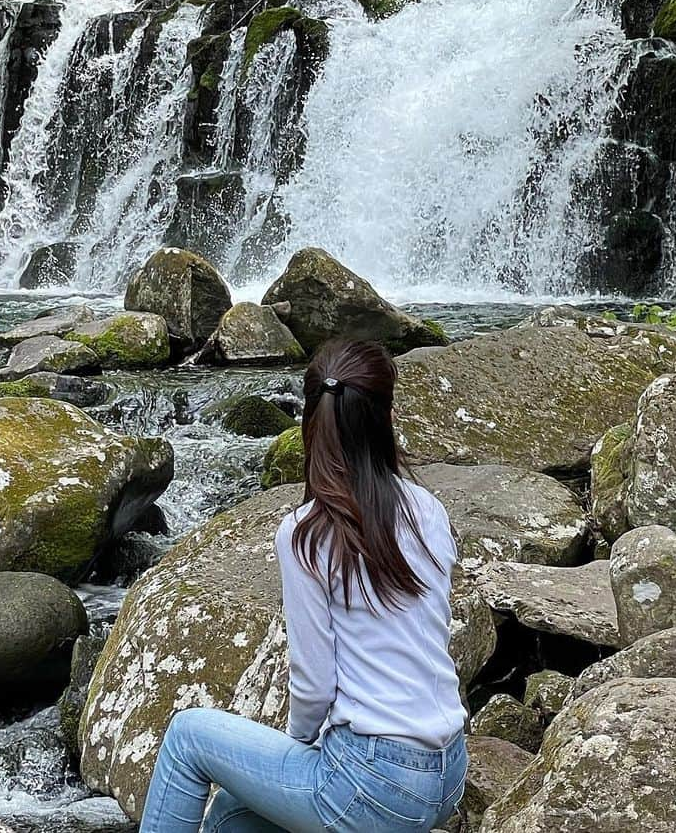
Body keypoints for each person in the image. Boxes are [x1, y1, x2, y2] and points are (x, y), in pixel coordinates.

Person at [139, 337, 468, 833]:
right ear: (386, 418)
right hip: (447, 774)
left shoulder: (306, 534)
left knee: (187, 737)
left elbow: (313, 687)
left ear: (310, 423)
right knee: (233, 813)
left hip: (373, 783)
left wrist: (300, 744)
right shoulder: (428, 511)